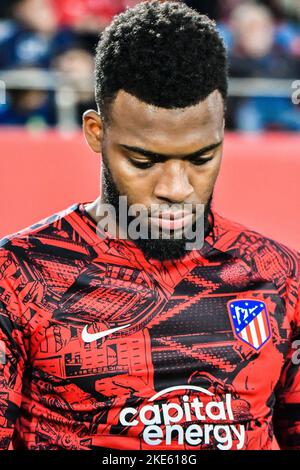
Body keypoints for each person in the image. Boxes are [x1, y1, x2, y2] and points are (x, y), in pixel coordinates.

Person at [0, 0, 299, 451]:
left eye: (201, 158)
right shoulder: (17, 276)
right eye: (144, 161)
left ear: (223, 128)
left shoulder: (281, 276)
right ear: (97, 132)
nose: (176, 188)